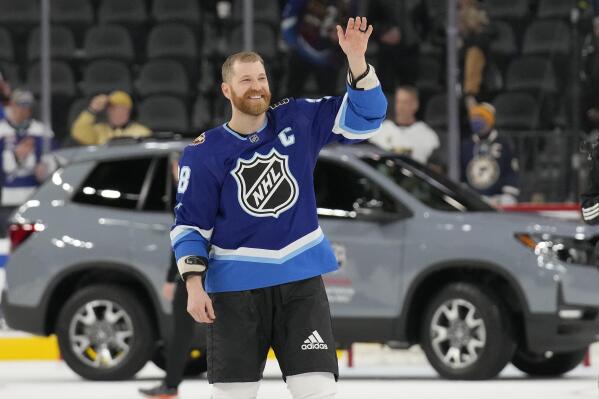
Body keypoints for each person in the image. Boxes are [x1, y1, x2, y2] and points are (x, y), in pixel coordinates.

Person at [172, 17, 386, 399]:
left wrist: (357, 61)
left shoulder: (298, 119)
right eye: (246, 80)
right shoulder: (204, 153)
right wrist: (192, 285)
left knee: (317, 390)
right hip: (236, 292)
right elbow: (190, 226)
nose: (257, 87)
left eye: (262, 78)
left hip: (300, 282)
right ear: (226, 89)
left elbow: (366, 119)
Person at [139, 156, 205, 399]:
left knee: (184, 332)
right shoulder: (194, 194)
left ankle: (171, 385)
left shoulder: (188, 198)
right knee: (183, 331)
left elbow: (183, 239)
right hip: (194, 273)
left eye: (179, 165)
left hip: (193, 273)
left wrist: (172, 277)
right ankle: (171, 385)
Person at [0, 89, 55, 235]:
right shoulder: (1, 130)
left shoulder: (41, 130)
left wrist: (46, 169)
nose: (23, 110)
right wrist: (16, 156)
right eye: (19, 105)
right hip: (6, 200)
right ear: (11, 105)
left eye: (27, 106)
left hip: (34, 198)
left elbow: (54, 159)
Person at [281, 0, 358, 97]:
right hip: (301, 51)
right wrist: (297, 45)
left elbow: (353, 28)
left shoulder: (350, 3)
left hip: (330, 55)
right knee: (291, 95)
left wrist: (343, 35)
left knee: (331, 98)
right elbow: (288, 24)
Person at [461, 102, 519, 205]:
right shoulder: (466, 145)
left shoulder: (504, 143)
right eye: (473, 117)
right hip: (473, 198)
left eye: (480, 117)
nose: (476, 121)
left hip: (498, 198)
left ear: (490, 120)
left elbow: (511, 172)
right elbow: (462, 173)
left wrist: (507, 196)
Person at [369, 86, 439, 165]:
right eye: (398, 102)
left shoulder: (428, 135)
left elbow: (434, 167)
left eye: (405, 102)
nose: (400, 107)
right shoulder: (381, 130)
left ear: (415, 105)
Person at [71, 90, 151, 145]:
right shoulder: (99, 130)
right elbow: (78, 133)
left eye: (121, 109)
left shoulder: (142, 132)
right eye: (112, 108)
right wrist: (92, 110)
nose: (116, 112)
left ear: (128, 112)